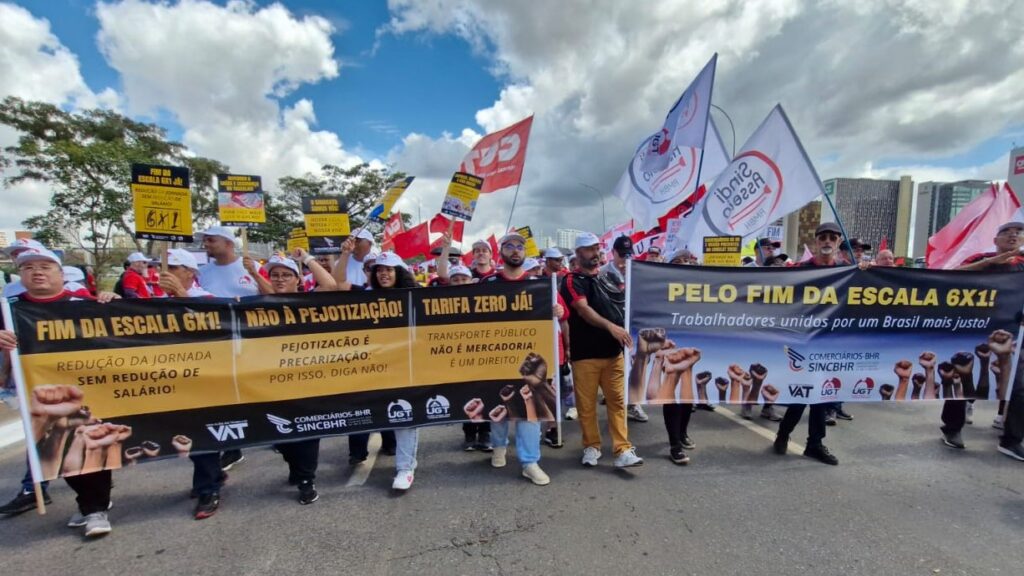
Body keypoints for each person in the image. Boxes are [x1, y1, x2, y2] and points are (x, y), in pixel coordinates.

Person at [0, 247, 121, 537]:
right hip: (40, 397)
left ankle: (95, 509)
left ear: (60, 274)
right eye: (28, 268)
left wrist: (113, 302)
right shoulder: (9, 309)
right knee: (59, 455)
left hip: (87, 392)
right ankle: (90, 503)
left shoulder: (82, 303)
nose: (37, 272)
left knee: (89, 448)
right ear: (21, 275)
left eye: (45, 266)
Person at [479, 232, 568, 485]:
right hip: (495, 357)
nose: (515, 250)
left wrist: (558, 311)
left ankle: (530, 461)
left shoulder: (541, 284)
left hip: (529, 358)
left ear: (525, 253)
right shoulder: (488, 284)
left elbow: (564, 314)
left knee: (531, 410)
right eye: (509, 246)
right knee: (497, 406)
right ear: (501, 253)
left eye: (520, 246)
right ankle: (498, 446)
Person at [190, 226, 260, 519]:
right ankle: (208, 481)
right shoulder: (201, 273)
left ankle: (236, 446)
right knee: (205, 415)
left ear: (229, 243)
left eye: (211, 239)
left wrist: (256, 275)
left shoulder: (250, 267)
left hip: (248, 351)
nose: (206, 244)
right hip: (208, 353)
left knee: (246, 404)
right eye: (205, 240)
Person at [257, 251, 335, 504]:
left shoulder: (306, 301)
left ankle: (306, 480)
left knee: (307, 429)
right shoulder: (257, 304)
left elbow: (330, 285)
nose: (280, 280)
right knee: (280, 436)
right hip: (271, 381)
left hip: (307, 380)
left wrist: (307, 258)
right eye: (275, 275)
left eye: (286, 275)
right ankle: (295, 466)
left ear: (298, 280)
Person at [561, 232, 643, 468]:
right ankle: (591, 446)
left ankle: (623, 449)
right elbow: (583, 310)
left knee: (617, 403)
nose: (595, 254)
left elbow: (624, 305)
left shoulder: (609, 278)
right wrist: (612, 328)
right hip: (585, 355)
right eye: (589, 249)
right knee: (586, 407)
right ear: (578, 254)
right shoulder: (570, 280)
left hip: (613, 354)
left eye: (597, 248)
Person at [941, 221, 1024, 452]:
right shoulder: (980, 259)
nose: (1013, 235)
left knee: (1017, 387)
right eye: (1006, 232)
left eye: (1018, 232)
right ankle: (952, 428)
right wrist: (989, 263)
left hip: (1012, 335)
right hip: (973, 328)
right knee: (963, 379)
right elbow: (948, 277)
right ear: (995, 240)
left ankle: (1012, 440)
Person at [773, 222, 843, 465]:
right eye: (822, 237)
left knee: (822, 396)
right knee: (801, 395)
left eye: (832, 238)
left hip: (830, 344)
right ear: (815, 242)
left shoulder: (848, 271)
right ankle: (784, 433)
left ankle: (815, 444)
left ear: (839, 243)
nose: (827, 241)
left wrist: (867, 271)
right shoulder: (799, 270)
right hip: (802, 343)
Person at [367, 252, 423, 490]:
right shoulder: (366, 298)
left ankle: (405, 468)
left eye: (389, 269)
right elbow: (334, 285)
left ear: (399, 272)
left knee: (405, 416)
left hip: (407, 365)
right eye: (379, 269)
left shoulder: (416, 296)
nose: (384, 273)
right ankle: (408, 458)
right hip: (377, 366)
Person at [601, 235, 648, 423]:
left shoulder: (636, 271)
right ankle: (616, 403)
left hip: (633, 328)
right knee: (614, 370)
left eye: (628, 255)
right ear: (613, 253)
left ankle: (633, 405)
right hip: (611, 328)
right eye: (621, 255)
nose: (625, 260)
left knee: (633, 367)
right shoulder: (602, 273)